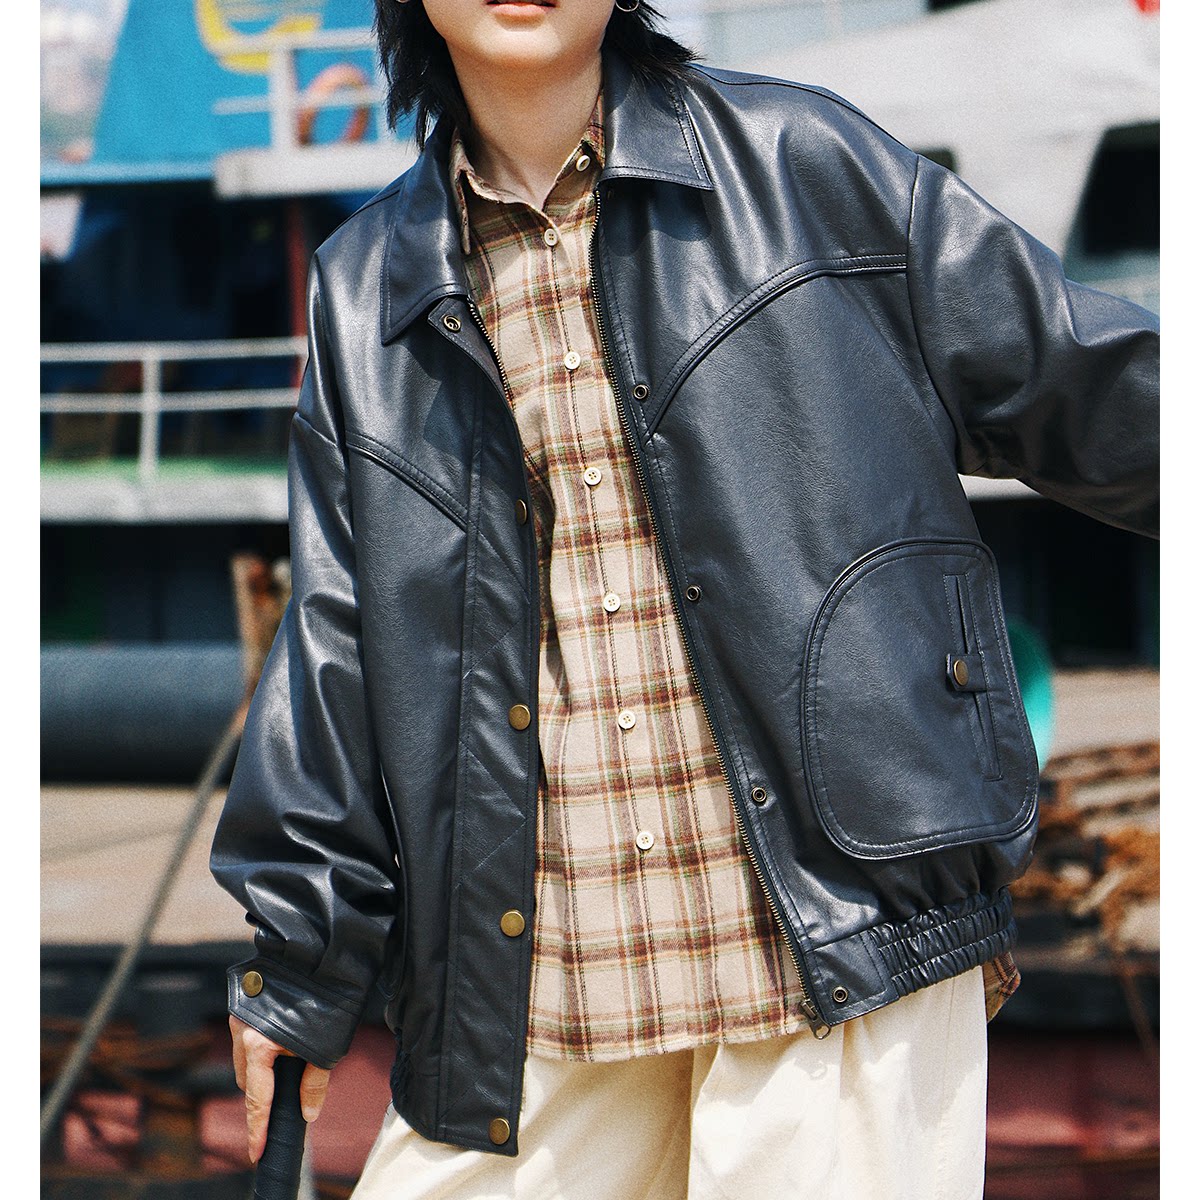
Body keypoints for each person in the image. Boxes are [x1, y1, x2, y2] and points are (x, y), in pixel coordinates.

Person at [209, 2, 1159, 1197]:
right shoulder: (367, 287)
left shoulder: (801, 164)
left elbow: (1083, 382)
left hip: (839, 920)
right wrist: (300, 959)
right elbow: (341, 638)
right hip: (538, 959)